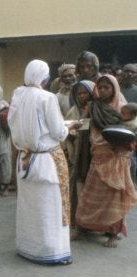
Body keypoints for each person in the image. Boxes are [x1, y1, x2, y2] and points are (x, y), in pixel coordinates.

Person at [8, 59, 81, 265]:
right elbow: (57, 132)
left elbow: (23, 124)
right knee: (50, 206)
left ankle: (28, 247)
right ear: (45, 77)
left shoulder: (17, 95)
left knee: (30, 206)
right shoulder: (47, 97)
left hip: (25, 157)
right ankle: (51, 251)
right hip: (46, 159)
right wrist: (70, 127)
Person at [75, 75, 137, 248]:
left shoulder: (123, 109)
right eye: (100, 87)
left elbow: (130, 134)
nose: (102, 90)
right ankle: (83, 228)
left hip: (117, 158)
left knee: (113, 199)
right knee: (89, 196)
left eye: (106, 87)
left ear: (114, 89)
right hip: (97, 156)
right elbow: (83, 125)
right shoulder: (93, 106)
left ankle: (112, 233)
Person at [64, 80, 94, 227]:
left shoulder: (98, 111)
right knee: (77, 189)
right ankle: (78, 224)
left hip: (94, 156)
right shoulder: (73, 111)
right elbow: (66, 134)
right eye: (79, 93)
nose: (82, 96)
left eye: (85, 93)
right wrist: (71, 134)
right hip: (78, 157)